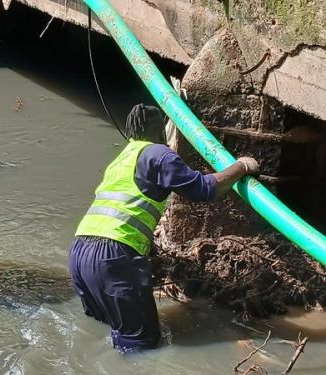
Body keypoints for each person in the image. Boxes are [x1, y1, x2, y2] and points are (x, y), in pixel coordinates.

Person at [69, 103, 259, 352]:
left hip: (79, 254)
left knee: (112, 333)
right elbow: (204, 189)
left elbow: (126, 210)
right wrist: (242, 166)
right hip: (113, 257)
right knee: (142, 347)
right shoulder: (158, 153)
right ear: (160, 131)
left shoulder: (121, 159)